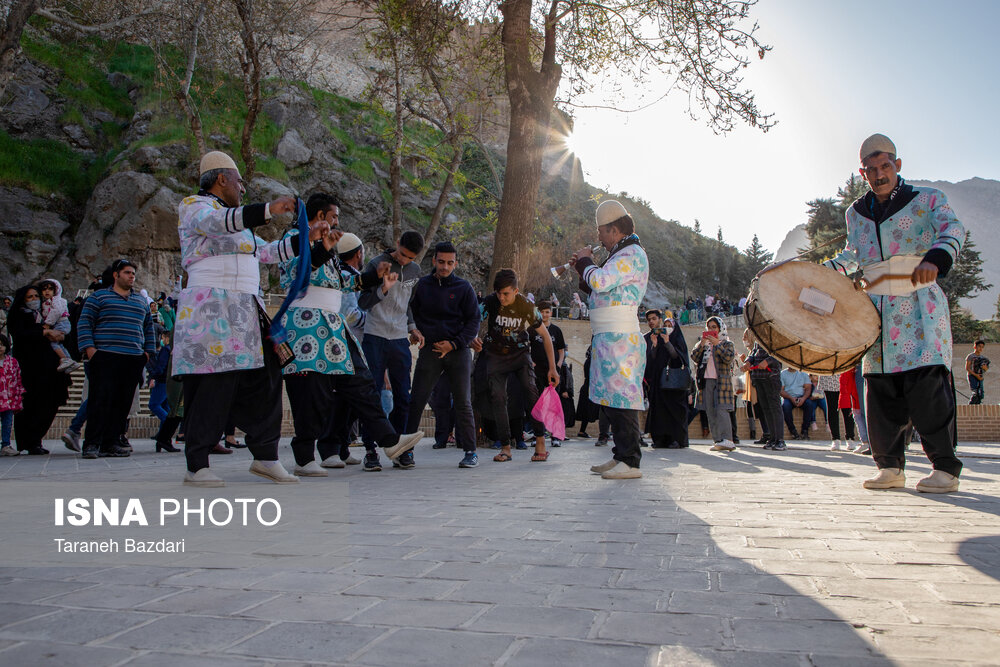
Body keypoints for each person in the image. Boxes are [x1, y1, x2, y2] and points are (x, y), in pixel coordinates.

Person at [825, 134, 965, 493]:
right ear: (863, 173)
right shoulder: (855, 213)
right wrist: (825, 272)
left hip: (919, 305)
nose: (879, 174)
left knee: (927, 386)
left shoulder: (927, 199)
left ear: (897, 165)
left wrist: (936, 259)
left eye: (885, 166)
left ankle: (945, 469)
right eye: (871, 170)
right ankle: (889, 466)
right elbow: (852, 254)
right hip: (877, 314)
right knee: (880, 390)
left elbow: (952, 228)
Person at [173, 150, 306, 487]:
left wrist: (314, 243)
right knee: (212, 384)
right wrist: (267, 210)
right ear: (222, 179)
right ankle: (197, 463)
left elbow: (268, 252)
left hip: (246, 309)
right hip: (210, 307)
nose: (243, 188)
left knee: (268, 378)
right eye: (239, 181)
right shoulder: (194, 206)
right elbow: (216, 224)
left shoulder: (241, 225)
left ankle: (265, 456)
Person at [278, 193, 422, 477]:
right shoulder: (295, 237)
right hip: (305, 325)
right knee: (313, 393)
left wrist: (373, 278)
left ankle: (390, 442)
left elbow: (342, 281)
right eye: (334, 217)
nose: (336, 223)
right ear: (319, 216)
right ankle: (305, 456)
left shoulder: (327, 246)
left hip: (333, 327)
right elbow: (297, 273)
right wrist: (322, 248)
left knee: (361, 383)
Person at [573, 200, 649, 479]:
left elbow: (602, 282)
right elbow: (600, 288)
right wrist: (583, 271)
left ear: (615, 230)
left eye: (601, 231)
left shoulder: (632, 254)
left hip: (620, 338)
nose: (599, 237)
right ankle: (620, 455)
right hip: (608, 337)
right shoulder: (620, 254)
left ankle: (631, 461)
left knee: (623, 399)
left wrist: (585, 263)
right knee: (611, 398)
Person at [404, 242, 481, 468]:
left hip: (458, 352)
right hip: (430, 351)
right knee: (417, 400)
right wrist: (414, 330)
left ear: (456, 263)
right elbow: (411, 312)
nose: (445, 267)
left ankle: (470, 452)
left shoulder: (464, 288)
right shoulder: (422, 286)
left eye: (450, 263)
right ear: (434, 261)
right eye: (441, 262)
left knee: (463, 403)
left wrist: (455, 344)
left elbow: (473, 321)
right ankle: (406, 451)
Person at [76, 259, 155, 459]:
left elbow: (148, 328)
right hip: (105, 356)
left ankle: (111, 442)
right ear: (116, 274)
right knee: (99, 400)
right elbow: (84, 324)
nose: (131, 276)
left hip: (132, 358)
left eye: (133, 273)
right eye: (127, 272)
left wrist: (147, 353)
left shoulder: (140, 301)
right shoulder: (98, 298)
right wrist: (91, 350)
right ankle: (92, 443)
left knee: (123, 403)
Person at [358, 230, 424, 467]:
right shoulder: (377, 264)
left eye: (411, 258)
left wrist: (412, 327)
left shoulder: (415, 271)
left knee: (402, 394)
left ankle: (400, 448)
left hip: (399, 339)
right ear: (397, 244)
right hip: (375, 335)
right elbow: (362, 302)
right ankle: (370, 449)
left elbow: (409, 304)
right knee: (372, 394)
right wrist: (383, 288)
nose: (405, 261)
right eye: (403, 255)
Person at [477, 269, 558, 464]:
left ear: (515, 291)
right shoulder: (490, 302)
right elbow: (473, 320)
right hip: (495, 355)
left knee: (530, 391)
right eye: (499, 293)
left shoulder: (526, 306)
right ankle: (506, 447)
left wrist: (552, 368)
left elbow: (546, 337)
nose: (502, 298)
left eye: (506, 293)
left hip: (520, 354)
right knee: (498, 397)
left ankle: (540, 442)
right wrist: (473, 336)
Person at [314, 232, 367, 468]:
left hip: (353, 347)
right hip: (344, 346)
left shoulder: (349, 275)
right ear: (359, 253)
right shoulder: (346, 277)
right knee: (339, 401)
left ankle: (343, 447)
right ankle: (329, 449)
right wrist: (373, 322)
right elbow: (350, 315)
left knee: (350, 402)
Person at [7, 285, 72, 455]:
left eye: (37, 296)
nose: (34, 299)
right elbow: (20, 334)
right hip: (28, 367)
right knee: (29, 405)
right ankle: (28, 441)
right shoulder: (17, 315)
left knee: (50, 401)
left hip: (49, 367)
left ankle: (36, 438)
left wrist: (56, 334)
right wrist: (42, 332)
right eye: (30, 297)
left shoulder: (45, 313)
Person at [643, 309, 690, 449]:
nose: (651, 322)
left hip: (674, 382)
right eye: (649, 319)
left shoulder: (675, 337)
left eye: (654, 319)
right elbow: (651, 360)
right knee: (659, 410)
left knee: (674, 411)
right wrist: (655, 345)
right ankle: (660, 439)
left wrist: (667, 342)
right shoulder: (651, 338)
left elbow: (678, 358)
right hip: (658, 381)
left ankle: (676, 439)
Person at [691, 316, 737, 451]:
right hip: (706, 381)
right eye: (709, 327)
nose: (711, 330)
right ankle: (718, 439)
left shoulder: (727, 344)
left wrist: (717, 344)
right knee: (710, 411)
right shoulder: (704, 345)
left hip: (722, 382)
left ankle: (728, 439)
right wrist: (701, 344)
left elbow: (728, 358)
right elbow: (694, 357)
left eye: (714, 327)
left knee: (722, 410)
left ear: (720, 328)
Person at [530, 300, 566, 446]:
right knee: (537, 403)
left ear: (550, 313)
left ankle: (555, 436)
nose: (544, 315)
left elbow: (561, 350)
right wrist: (531, 362)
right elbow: (526, 347)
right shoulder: (532, 330)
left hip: (552, 372)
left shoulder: (556, 330)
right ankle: (539, 434)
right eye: (541, 312)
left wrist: (558, 364)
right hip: (537, 371)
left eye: (547, 312)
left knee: (552, 403)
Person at [37, 279, 80, 374]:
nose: (47, 291)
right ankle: (69, 360)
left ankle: (65, 359)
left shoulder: (58, 300)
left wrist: (47, 324)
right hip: (57, 324)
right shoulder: (46, 303)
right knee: (58, 343)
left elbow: (56, 312)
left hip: (62, 324)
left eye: (50, 289)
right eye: (44, 289)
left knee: (53, 341)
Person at [817, 373, 855, 450]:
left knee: (847, 409)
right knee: (832, 410)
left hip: (845, 375)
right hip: (829, 376)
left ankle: (850, 438)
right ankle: (835, 439)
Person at [0, 334, 24, 456]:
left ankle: (6, 445)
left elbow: (17, 379)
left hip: (8, 400)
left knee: (8, 422)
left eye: (2, 344)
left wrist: (18, 396)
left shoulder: (12, 362)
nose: (0, 347)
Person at [779, 368, 814, 440]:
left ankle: (805, 430)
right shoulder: (782, 374)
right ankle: (793, 431)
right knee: (785, 406)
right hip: (788, 397)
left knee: (810, 405)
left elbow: (808, 388)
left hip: (801, 397)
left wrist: (803, 398)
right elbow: (781, 390)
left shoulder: (803, 374)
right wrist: (791, 398)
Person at [966, 340, 989, 405]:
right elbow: (967, 368)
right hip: (972, 376)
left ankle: (977, 407)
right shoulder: (971, 356)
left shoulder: (983, 358)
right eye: (979, 346)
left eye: (982, 347)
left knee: (981, 394)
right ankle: (970, 406)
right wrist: (975, 375)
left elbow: (986, 369)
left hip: (980, 377)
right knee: (975, 392)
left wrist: (985, 368)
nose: (980, 348)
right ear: (975, 347)